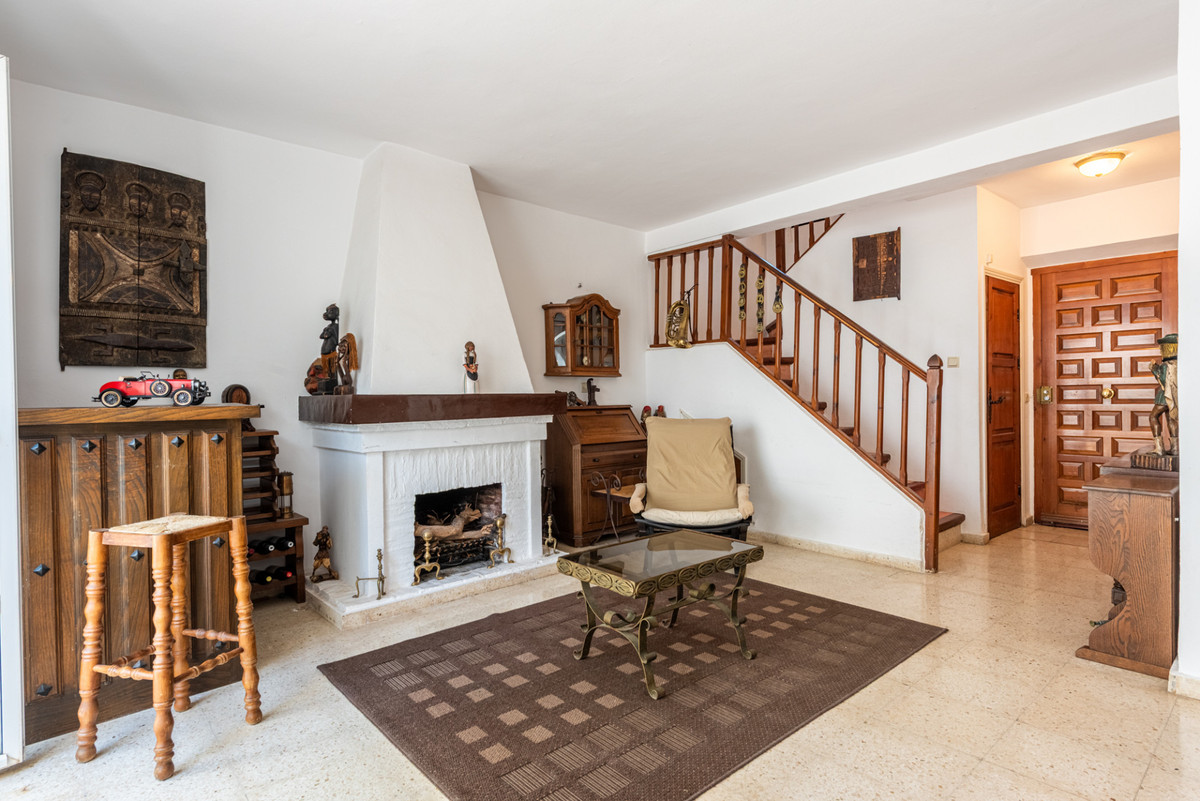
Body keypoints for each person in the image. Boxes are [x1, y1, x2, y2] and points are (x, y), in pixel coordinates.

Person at [1149, 334, 1178, 456]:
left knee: (1153, 416)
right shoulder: (1178, 364)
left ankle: (1159, 448)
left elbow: (1162, 380)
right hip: (1175, 396)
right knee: (1171, 419)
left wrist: (1154, 369)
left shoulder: (1165, 365)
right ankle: (1175, 448)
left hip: (1164, 396)